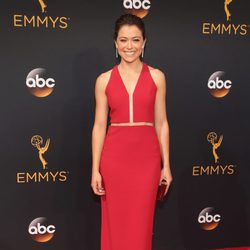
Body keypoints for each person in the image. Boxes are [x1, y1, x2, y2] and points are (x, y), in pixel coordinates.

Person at [91, 13, 172, 250]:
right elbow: (98, 126)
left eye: (135, 40)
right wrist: (95, 169)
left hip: (146, 160)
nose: (130, 46)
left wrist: (166, 164)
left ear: (144, 42)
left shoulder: (157, 77)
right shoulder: (103, 80)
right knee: (115, 223)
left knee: (141, 223)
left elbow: (162, 123)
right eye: (124, 40)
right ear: (115, 43)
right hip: (114, 161)